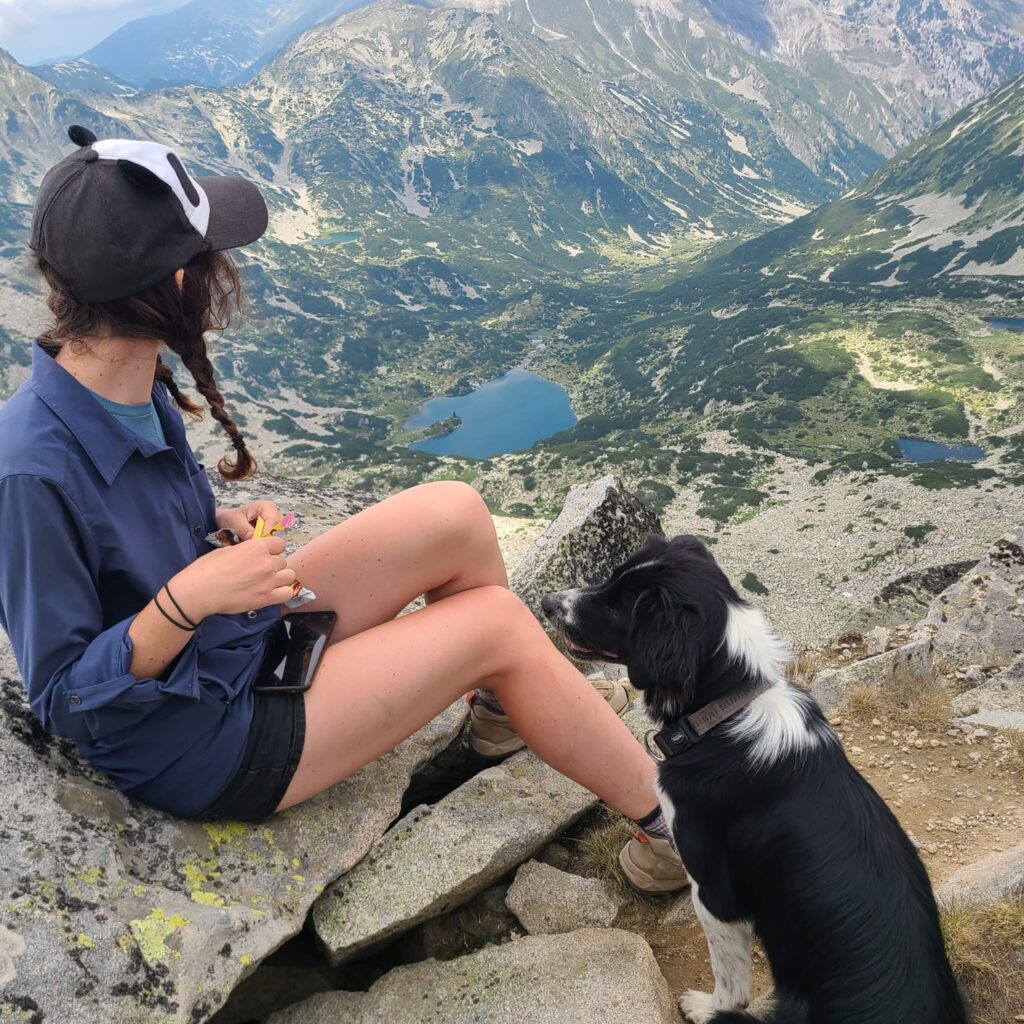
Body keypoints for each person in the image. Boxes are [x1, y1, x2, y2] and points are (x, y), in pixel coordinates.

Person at [0, 127, 687, 893]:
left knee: (455, 513)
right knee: (496, 623)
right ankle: (681, 834)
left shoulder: (126, 386)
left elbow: (131, 534)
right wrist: (185, 600)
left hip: (229, 645)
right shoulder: (29, 470)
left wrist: (215, 527)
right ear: (177, 282)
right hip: (196, 737)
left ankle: (505, 712)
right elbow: (65, 699)